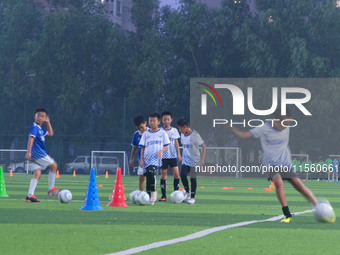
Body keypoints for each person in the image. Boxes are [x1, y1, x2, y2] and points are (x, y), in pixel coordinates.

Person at [227, 108, 317, 223]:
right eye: (284, 123)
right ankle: (287, 214)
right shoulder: (263, 129)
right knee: (278, 182)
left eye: (288, 123)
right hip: (270, 163)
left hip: (285, 162)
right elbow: (244, 135)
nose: (286, 126)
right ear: (275, 120)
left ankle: (317, 205)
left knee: (298, 184)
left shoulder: (286, 125)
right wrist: (231, 128)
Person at [25, 108, 59, 203]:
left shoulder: (40, 129)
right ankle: (51, 189)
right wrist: (28, 152)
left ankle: (30, 196)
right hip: (37, 153)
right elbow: (31, 139)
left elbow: (51, 133)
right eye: (38, 115)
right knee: (54, 166)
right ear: (34, 116)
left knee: (37, 174)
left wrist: (48, 122)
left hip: (33, 155)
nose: (40, 118)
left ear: (45, 118)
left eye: (42, 117)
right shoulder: (35, 127)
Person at [139, 113, 170, 204]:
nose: (151, 123)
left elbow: (167, 146)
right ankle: (148, 196)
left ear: (158, 122)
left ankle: (153, 193)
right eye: (150, 121)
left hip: (156, 159)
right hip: (146, 159)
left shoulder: (162, 133)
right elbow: (142, 147)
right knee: (148, 176)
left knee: (151, 173)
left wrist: (161, 151)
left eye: (154, 121)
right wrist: (141, 159)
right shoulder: (146, 134)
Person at [177, 118, 206, 205]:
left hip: (195, 160)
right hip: (185, 160)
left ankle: (192, 198)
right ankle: (187, 192)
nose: (179, 130)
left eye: (180, 128)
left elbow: (204, 146)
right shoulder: (182, 135)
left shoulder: (195, 135)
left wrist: (202, 159)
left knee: (193, 178)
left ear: (185, 127)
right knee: (182, 175)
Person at [159, 111, 181, 201]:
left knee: (176, 175)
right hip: (163, 157)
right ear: (162, 120)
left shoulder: (174, 130)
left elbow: (176, 143)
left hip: (173, 156)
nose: (166, 121)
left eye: (168, 119)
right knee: (163, 176)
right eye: (164, 120)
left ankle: (176, 194)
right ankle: (163, 196)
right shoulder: (160, 131)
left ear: (171, 120)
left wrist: (179, 154)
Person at [129, 116, 148, 191]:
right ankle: (141, 194)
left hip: (151, 159)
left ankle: (152, 194)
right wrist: (131, 159)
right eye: (138, 128)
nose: (140, 129)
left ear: (145, 123)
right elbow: (134, 147)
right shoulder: (136, 134)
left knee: (151, 176)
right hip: (141, 160)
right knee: (141, 176)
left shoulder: (150, 132)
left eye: (141, 127)